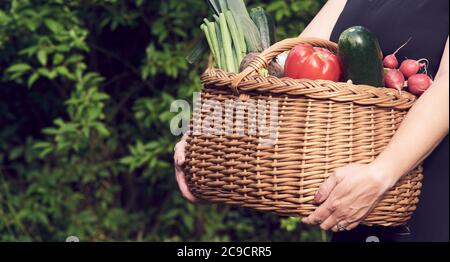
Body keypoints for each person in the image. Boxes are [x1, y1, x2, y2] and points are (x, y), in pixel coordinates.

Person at [174, 0, 449, 242]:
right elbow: (283, 73)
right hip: (354, 196)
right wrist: (210, 133)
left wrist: (380, 174)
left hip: (423, 189)